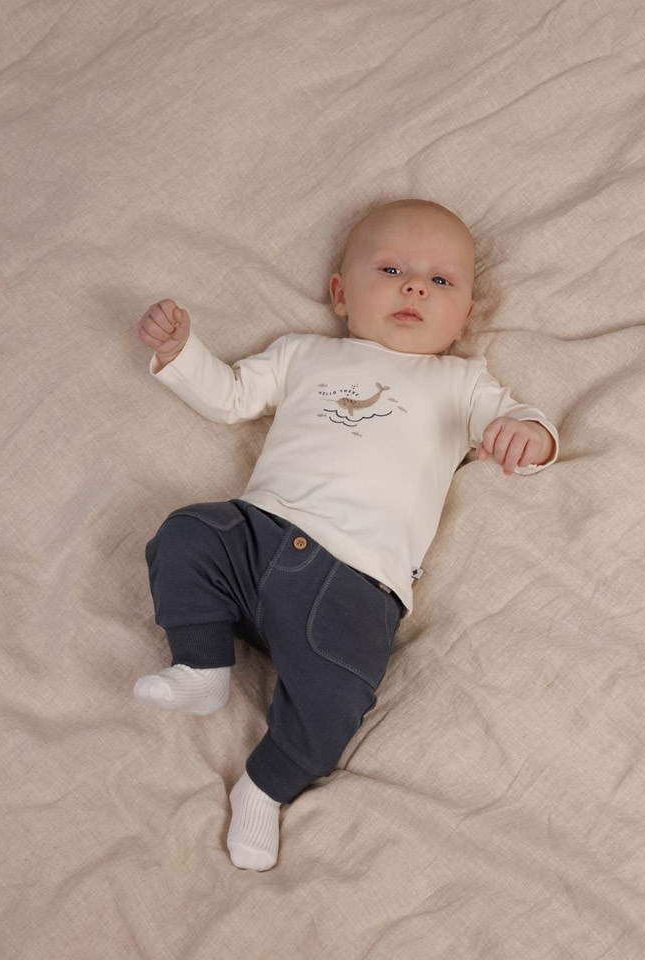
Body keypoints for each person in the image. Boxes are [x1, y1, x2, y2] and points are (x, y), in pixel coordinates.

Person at [134, 199, 558, 871]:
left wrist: (527, 436)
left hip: (358, 581)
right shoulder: (304, 355)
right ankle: (203, 665)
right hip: (260, 532)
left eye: (440, 280)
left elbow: (521, 422)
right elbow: (231, 396)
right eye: (390, 270)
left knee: (340, 697)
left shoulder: (461, 382)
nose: (414, 287)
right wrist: (180, 352)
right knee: (185, 533)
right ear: (340, 293)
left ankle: (263, 788)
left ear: (465, 316)